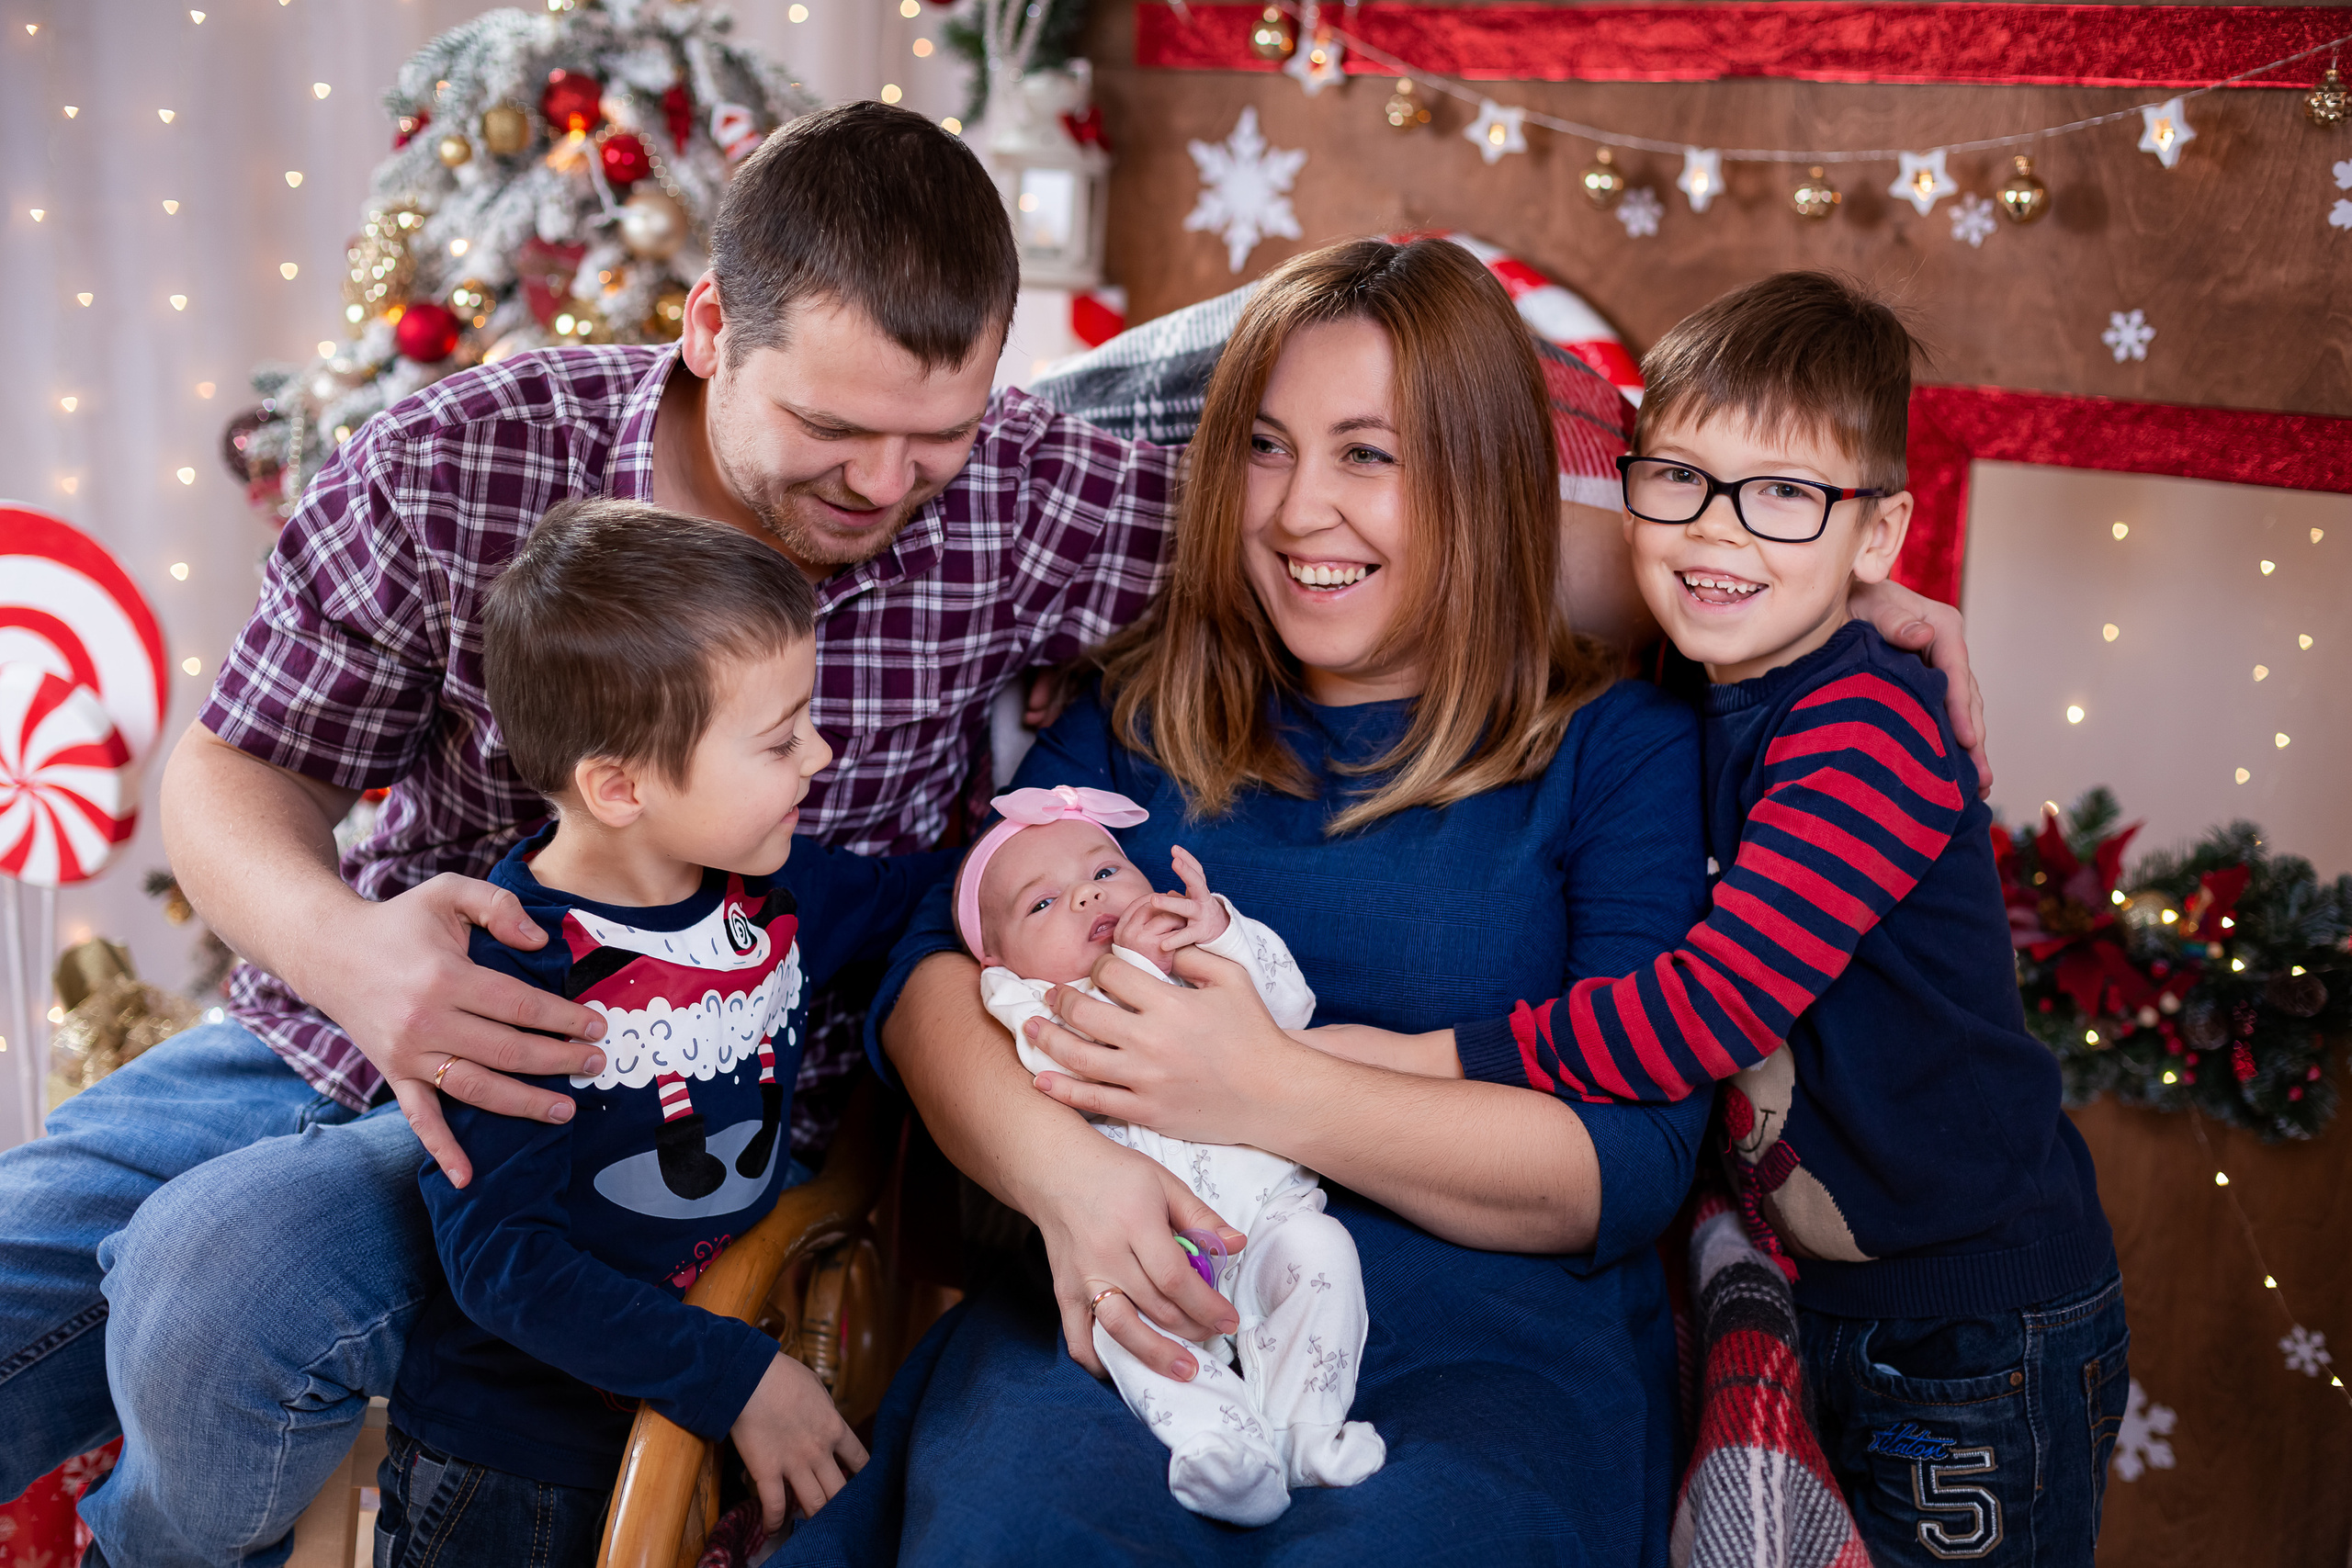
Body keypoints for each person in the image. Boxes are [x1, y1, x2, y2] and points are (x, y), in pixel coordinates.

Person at [0, 102, 1983, 1562]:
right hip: (371, 1004)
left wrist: (1783, 574)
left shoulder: (1022, 502)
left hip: (783, 1095)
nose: (880, 488)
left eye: (930, 439)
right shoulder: (470, 461)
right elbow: (233, 773)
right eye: (831, 434)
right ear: (705, 325)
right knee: (87, 1261)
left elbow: (1400, 540)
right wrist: (357, 960)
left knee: (229, 1275)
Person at [781, 235, 1703, 1565]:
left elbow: (1628, 1164)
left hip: (1477, 1354)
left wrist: (1262, 1084)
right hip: (1145, 1300)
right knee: (1018, 1538)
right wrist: (1073, 1183)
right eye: (1266, 447)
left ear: (1485, 479)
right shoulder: (1142, 714)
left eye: (1368, 455)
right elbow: (935, 973)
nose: (1296, 510)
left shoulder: (1614, 752)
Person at [1347, 274, 2127, 1566]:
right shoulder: (1706, 679)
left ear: (1875, 534)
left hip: (1977, 1324)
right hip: (1817, 1292)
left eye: (1783, 495)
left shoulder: (1862, 726)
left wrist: (1392, 1056)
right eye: (1682, 479)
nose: (1717, 534)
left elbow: (1703, 1012)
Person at [379, 498, 956, 1564]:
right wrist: (733, 1375)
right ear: (620, 786)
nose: (820, 755)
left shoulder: (775, 895)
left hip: (704, 1416)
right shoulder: (514, 975)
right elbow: (504, 1262)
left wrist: (1045, 861)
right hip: (515, 1469)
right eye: (779, 739)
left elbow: (930, 894)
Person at [964, 789, 1380, 1526]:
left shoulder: (1196, 958)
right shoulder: (1027, 1000)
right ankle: (1223, 1448)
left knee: (1323, 1254)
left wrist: (1220, 935)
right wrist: (1063, 986)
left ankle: (1306, 1431)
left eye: (1105, 869)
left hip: (1259, 1221)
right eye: (1042, 904)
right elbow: (1045, 1055)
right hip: (1136, 1239)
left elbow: (1291, 1009)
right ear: (995, 958)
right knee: (1131, 1334)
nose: (1087, 893)